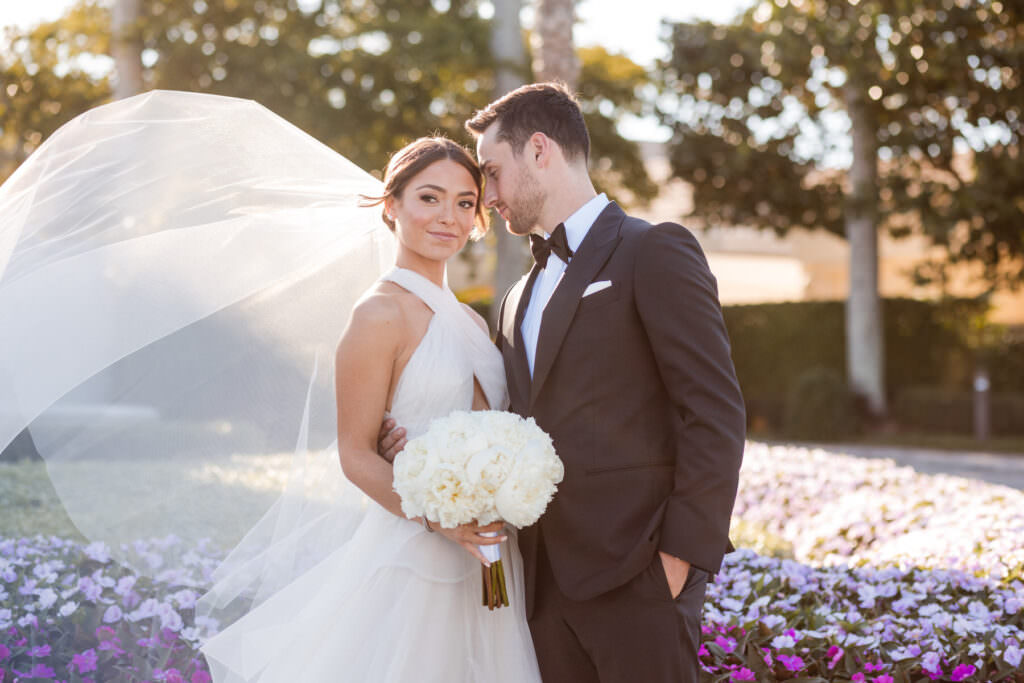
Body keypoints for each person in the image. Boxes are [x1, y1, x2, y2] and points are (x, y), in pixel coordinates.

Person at [380, 82, 746, 683]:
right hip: (541, 586)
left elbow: (715, 414)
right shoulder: (514, 297)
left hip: (639, 579)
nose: (487, 196)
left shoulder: (653, 250)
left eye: (493, 172)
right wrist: (413, 448)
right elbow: (502, 418)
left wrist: (676, 563)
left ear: (541, 151)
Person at [200, 136, 543, 682]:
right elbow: (356, 455)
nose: (448, 217)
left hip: (494, 561)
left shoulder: (475, 322)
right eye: (429, 198)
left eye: (463, 202)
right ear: (392, 205)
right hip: (418, 558)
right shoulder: (377, 315)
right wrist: (439, 519)